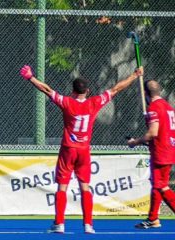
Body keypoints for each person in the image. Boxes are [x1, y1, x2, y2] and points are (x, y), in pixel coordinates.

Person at [20, 65, 143, 234]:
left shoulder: (67, 102)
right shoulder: (94, 102)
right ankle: (88, 224)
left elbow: (47, 90)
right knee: (85, 187)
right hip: (84, 150)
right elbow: (116, 89)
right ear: (88, 91)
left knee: (62, 187)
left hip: (68, 150)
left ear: (72, 91)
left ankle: (60, 223)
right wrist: (135, 75)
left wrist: (30, 77)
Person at [127, 79, 175, 229]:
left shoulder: (154, 107)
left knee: (162, 187)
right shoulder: (168, 107)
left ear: (146, 94)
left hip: (162, 152)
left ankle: (153, 218)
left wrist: (135, 142)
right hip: (168, 149)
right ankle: (153, 218)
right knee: (157, 184)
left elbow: (152, 133)